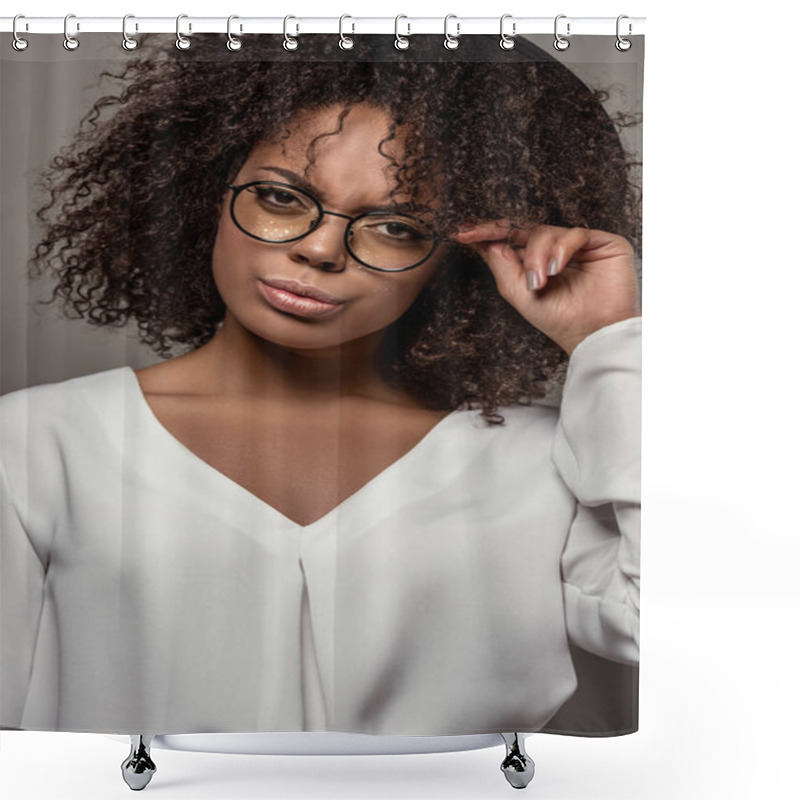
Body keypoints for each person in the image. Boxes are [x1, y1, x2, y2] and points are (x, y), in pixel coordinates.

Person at [0, 33, 641, 737]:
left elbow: (667, 633)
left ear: (455, 258)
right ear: (203, 189)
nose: (320, 248)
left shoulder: (541, 460)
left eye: (395, 226)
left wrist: (606, 338)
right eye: (281, 197)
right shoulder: (40, 443)